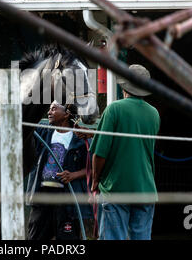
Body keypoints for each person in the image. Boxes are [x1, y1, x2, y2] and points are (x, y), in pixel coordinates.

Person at [89, 64, 160, 240]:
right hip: (146, 189)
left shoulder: (114, 109)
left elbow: (99, 154)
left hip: (116, 189)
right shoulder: (154, 114)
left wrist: (95, 181)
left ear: (123, 86)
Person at [26, 101, 93, 240]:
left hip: (67, 201)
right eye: (49, 109)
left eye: (54, 109)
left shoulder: (80, 139)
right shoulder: (42, 131)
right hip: (41, 198)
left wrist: (74, 175)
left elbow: (92, 168)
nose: (49, 112)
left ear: (66, 114)